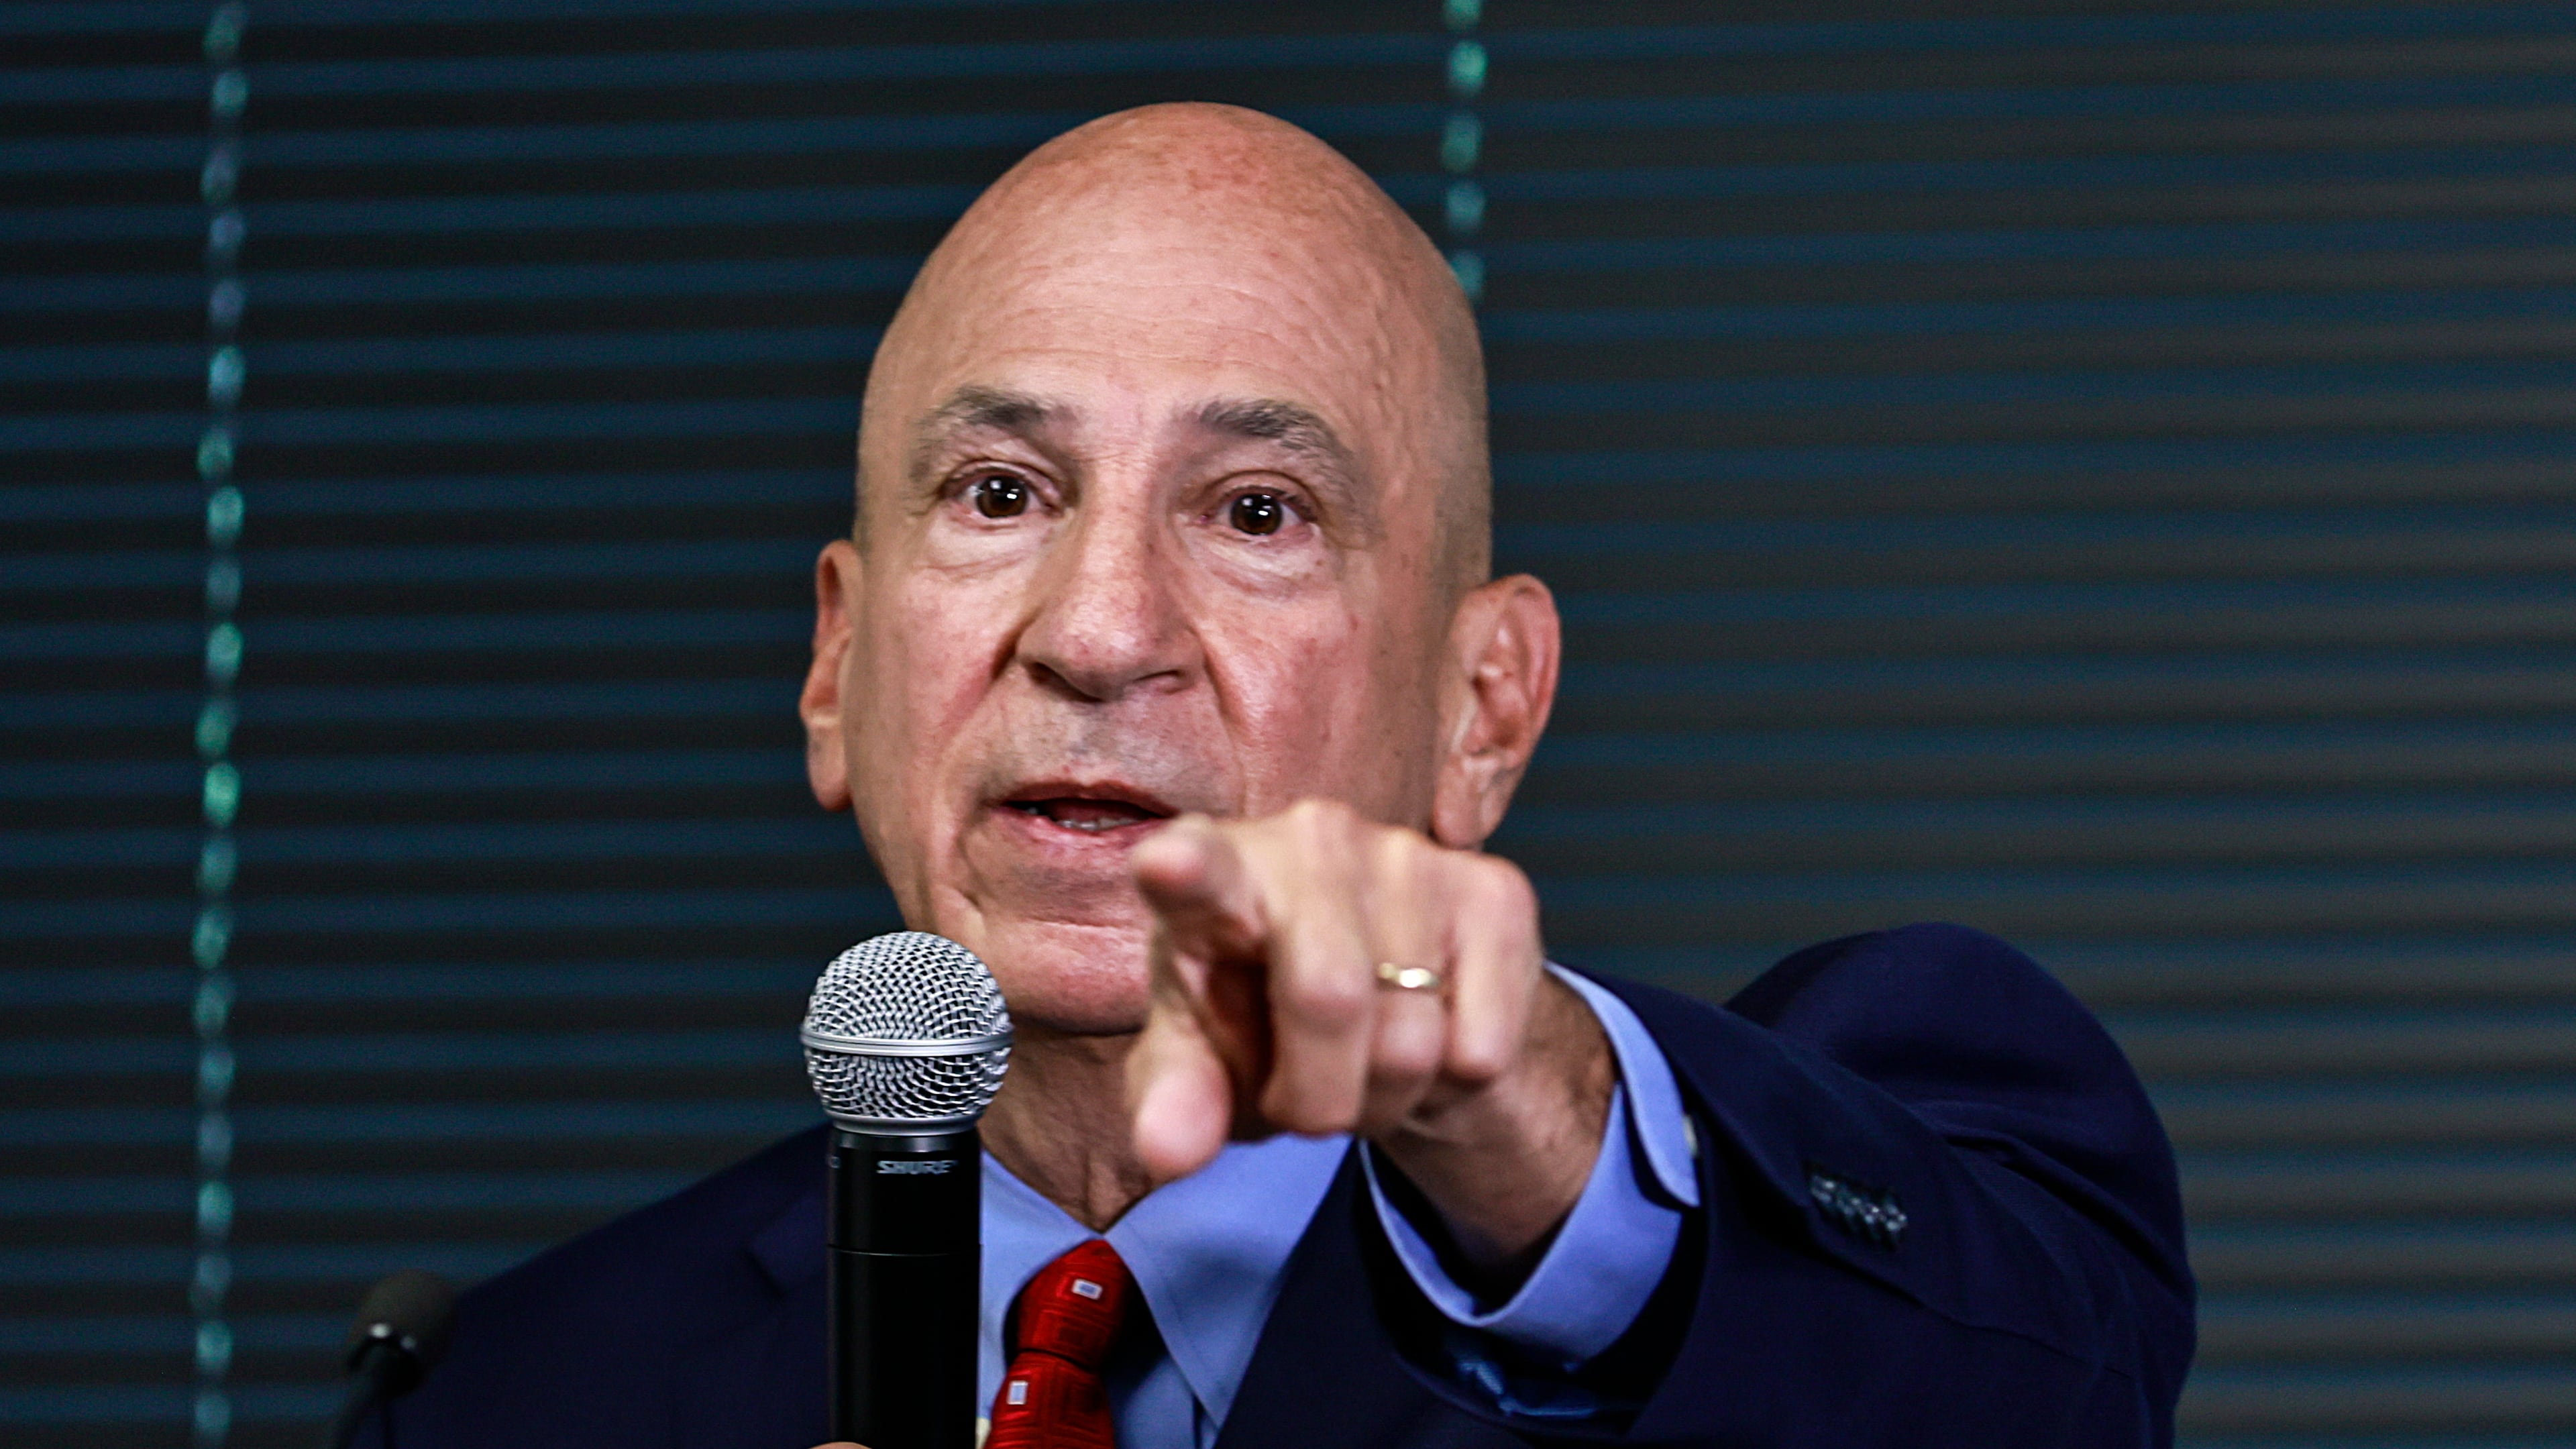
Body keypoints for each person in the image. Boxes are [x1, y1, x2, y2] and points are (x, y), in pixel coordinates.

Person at [366, 104, 2193, 1449]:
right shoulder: (498, 1402)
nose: (1094, 630)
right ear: (838, 667)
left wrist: (1538, 1133)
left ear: (1487, 707)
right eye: (1000, 493)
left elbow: (2038, 1386)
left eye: (1257, 513)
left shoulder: (1924, 1197)